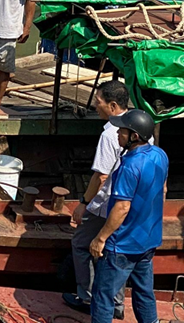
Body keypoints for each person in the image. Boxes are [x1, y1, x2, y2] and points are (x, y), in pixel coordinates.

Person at [65, 81, 139, 318]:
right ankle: (117, 303)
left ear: (113, 105)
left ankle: (87, 297)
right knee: (115, 251)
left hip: (107, 204)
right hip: (130, 204)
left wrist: (83, 204)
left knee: (81, 243)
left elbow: (101, 176)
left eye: (98, 102)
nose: (95, 106)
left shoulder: (110, 134)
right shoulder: (140, 126)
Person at [89, 109, 168, 323]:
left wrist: (101, 238)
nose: (117, 135)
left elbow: (122, 208)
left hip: (122, 245)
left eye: (122, 131)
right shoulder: (160, 155)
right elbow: (163, 190)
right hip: (148, 240)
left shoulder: (129, 166)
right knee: (144, 293)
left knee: (103, 297)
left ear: (134, 136)